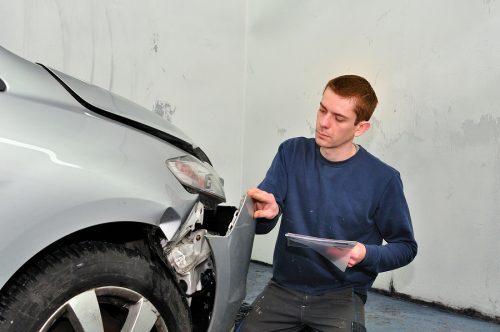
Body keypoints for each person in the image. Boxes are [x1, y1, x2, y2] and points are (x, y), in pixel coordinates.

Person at [239, 75, 418, 332]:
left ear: (361, 128)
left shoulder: (383, 180)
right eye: (322, 109)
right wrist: (266, 213)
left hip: (341, 296)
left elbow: (406, 247)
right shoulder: (291, 153)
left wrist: (366, 254)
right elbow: (261, 225)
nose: (323, 123)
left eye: (339, 118)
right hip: (284, 288)